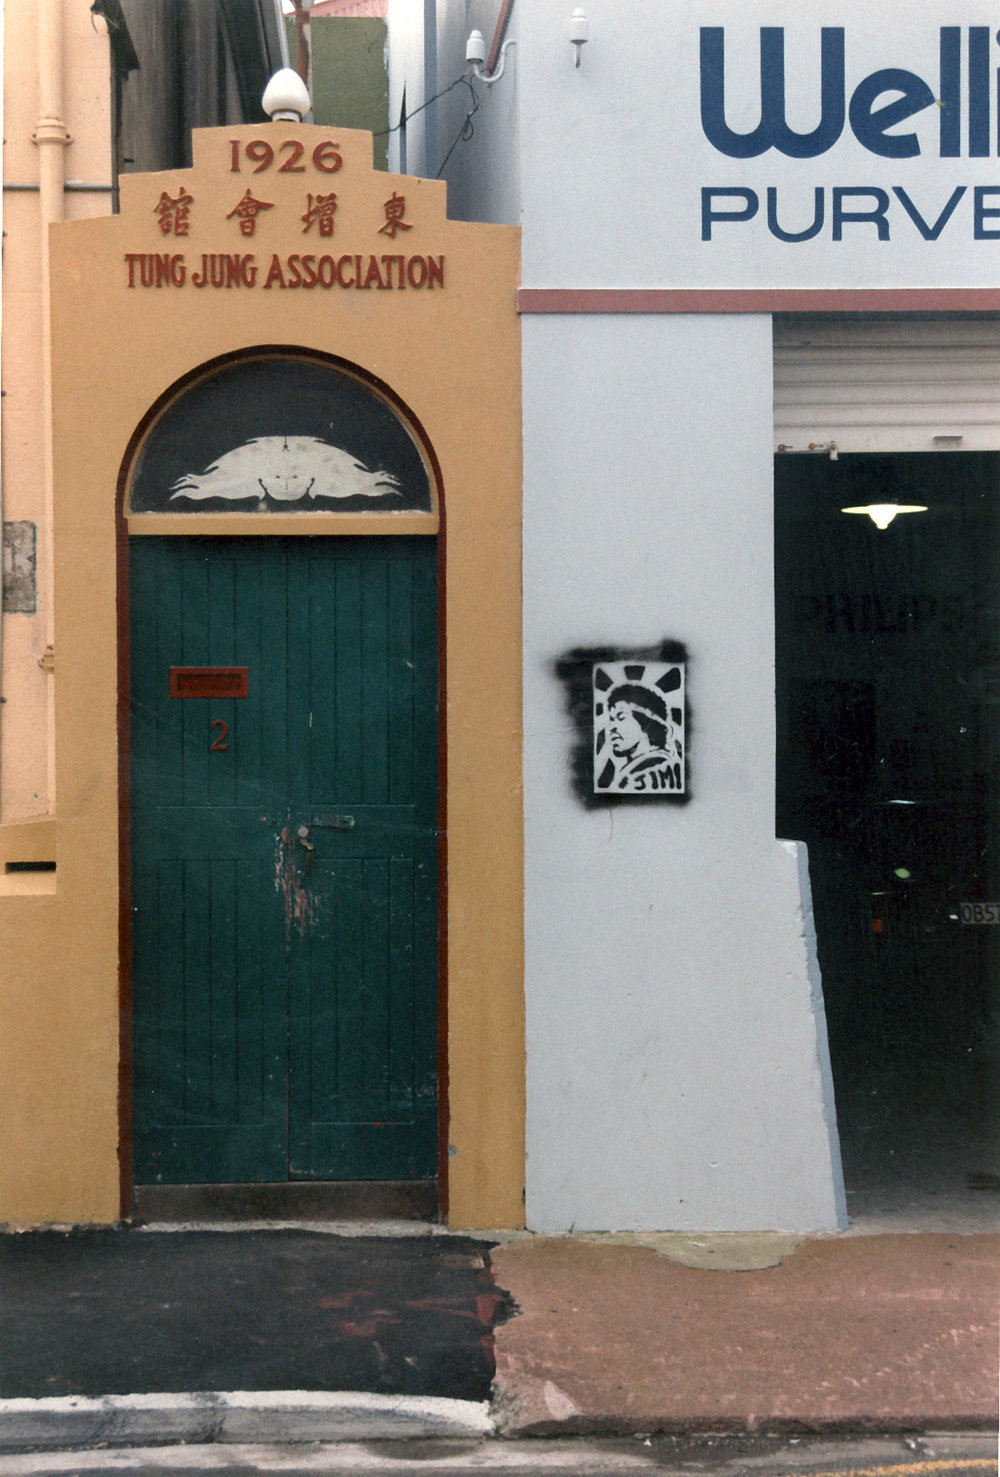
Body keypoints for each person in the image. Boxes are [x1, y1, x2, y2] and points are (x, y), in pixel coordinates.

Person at [603, 682, 682, 792]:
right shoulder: (634, 771)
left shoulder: (647, 771)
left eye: (621, 717)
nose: (612, 727)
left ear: (647, 722)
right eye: (611, 720)